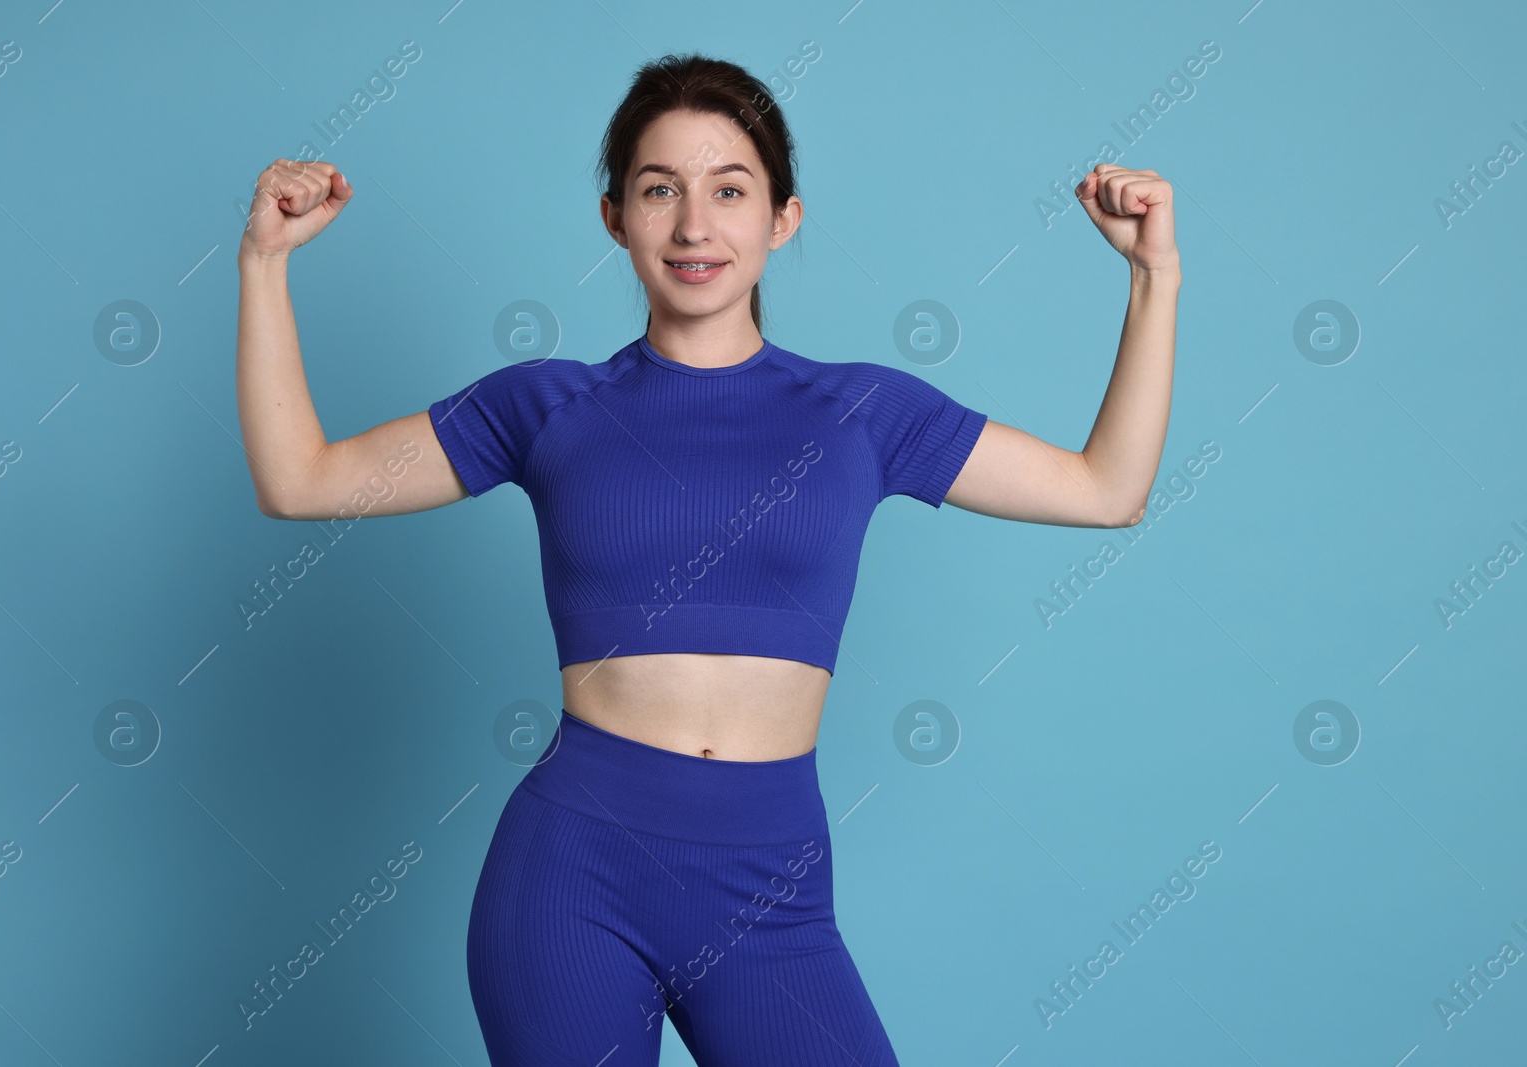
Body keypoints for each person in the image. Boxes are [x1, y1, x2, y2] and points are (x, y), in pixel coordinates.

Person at [235, 51, 1178, 1067]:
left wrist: (1151, 275)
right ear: (614, 217)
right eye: (658, 190)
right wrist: (263, 264)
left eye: (729, 190)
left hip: (772, 888)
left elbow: (1105, 490)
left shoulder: (864, 413)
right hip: (571, 881)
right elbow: (302, 479)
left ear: (783, 217)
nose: (694, 226)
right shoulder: (547, 406)